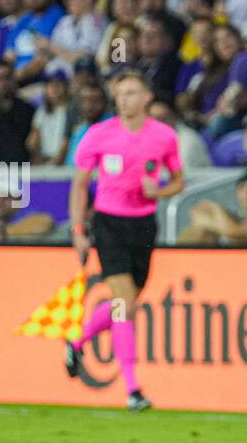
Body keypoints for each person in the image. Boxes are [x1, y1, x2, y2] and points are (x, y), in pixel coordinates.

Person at [66, 70, 184, 412]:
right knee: (125, 305)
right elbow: (79, 184)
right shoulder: (98, 135)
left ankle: (77, 341)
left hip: (144, 225)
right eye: (119, 93)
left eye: (131, 92)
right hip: (109, 225)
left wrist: (159, 191)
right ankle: (133, 390)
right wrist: (78, 230)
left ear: (147, 97)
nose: (123, 99)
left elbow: (178, 182)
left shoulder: (164, 137)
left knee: (127, 305)